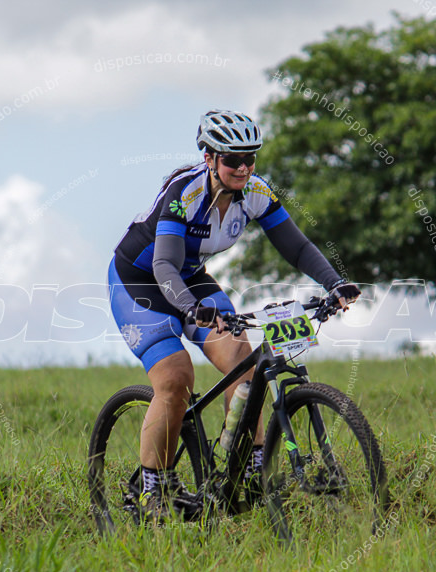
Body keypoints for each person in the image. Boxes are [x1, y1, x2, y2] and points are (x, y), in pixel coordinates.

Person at [107, 109, 360, 521]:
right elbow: (165, 266)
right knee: (175, 377)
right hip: (142, 281)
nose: (242, 167)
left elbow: (296, 247)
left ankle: (249, 471)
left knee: (244, 365)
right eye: (231, 159)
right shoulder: (182, 194)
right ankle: (154, 490)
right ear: (209, 158)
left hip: (190, 279)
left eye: (250, 158)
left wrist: (335, 283)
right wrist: (190, 308)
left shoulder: (257, 192)